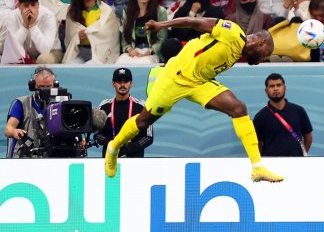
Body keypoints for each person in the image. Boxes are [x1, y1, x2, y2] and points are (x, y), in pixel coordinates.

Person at [104, 16, 285, 183]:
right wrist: (162, 25)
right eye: (265, 55)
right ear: (260, 43)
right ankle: (114, 147)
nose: (262, 60)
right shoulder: (232, 32)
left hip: (199, 83)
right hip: (175, 78)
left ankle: (257, 167)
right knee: (143, 122)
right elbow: (194, 22)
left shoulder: (238, 53)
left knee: (238, 108)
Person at [95, 68, 153, 158]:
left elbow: (148, 137)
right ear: (113, 83)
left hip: (134, 160)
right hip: (110, 159)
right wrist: (112, 143)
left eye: (126, 81)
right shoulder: (104, 106)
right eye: (119, 81)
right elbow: (97, 134)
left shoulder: (142, 106)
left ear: (131, 83)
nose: (122, 84)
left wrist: (130, 147)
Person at [63, 0, 120, 64]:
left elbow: (110, 37)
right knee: (71, 66)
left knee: (89, 66)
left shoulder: (106, 11)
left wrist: (90, 33)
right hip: (79, 52)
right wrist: (77, 37)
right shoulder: (72, 12)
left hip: (101, 53)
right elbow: (69, 38)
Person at [253, 73, 313, 156]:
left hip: (296, 162)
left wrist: (301, 156)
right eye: (272, 86)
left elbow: (308, 136)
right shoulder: (260, 117)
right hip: (271, 164)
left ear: (284, 88)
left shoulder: (298, 111)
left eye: (279, 85)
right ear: (266, 91)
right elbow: (257, 143)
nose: (276, 89)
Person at [4, 66, 56, 158]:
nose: (45, 90)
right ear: (34, 85)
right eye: (41, 87)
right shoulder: (21, 103)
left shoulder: (59, 105)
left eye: (48, 86)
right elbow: (8, 129)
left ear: (54, 85)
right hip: (23, 158)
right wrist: (15, 131)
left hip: (50, 159)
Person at [2, 0, 62, 64]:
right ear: (19, 6)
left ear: (38, 4)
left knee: (44, 59)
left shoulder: (49, 16)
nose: (30, 9)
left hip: (51, 52)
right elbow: (13, 48)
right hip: (25, 53)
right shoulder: (13, 16)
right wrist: (25, 26)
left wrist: (33, 25)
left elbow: (45, 49)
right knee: (11, 59)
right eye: (26, 5)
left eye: (33, 5)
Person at [117, 0, 168, 64]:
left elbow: (162, 38)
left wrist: (150, 51)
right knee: (120, 62)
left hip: (151, 51)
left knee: (144, 62)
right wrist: (129, 50)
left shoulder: (160, 11)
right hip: (133, 50)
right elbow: (124, 39)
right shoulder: (127, 12)